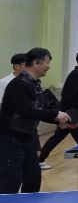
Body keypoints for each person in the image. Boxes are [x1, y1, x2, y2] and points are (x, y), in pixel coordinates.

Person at [0, 47, 69, 193]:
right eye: (47, 62)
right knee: (11, 181)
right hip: (11, 139)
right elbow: (26, 111)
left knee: (33, 177)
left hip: (28, 137)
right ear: (36, 63)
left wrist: (57, 120)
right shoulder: (19, 84)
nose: (49, 66)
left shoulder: (34, 83)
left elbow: (39, 110)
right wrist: (56, 115)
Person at [38, 50, 78, 169]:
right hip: (73, 111)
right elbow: (67, 96)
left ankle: (40, 160)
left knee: (66, 136)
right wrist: (65, 115)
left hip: (75, 111)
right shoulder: (76, 74)